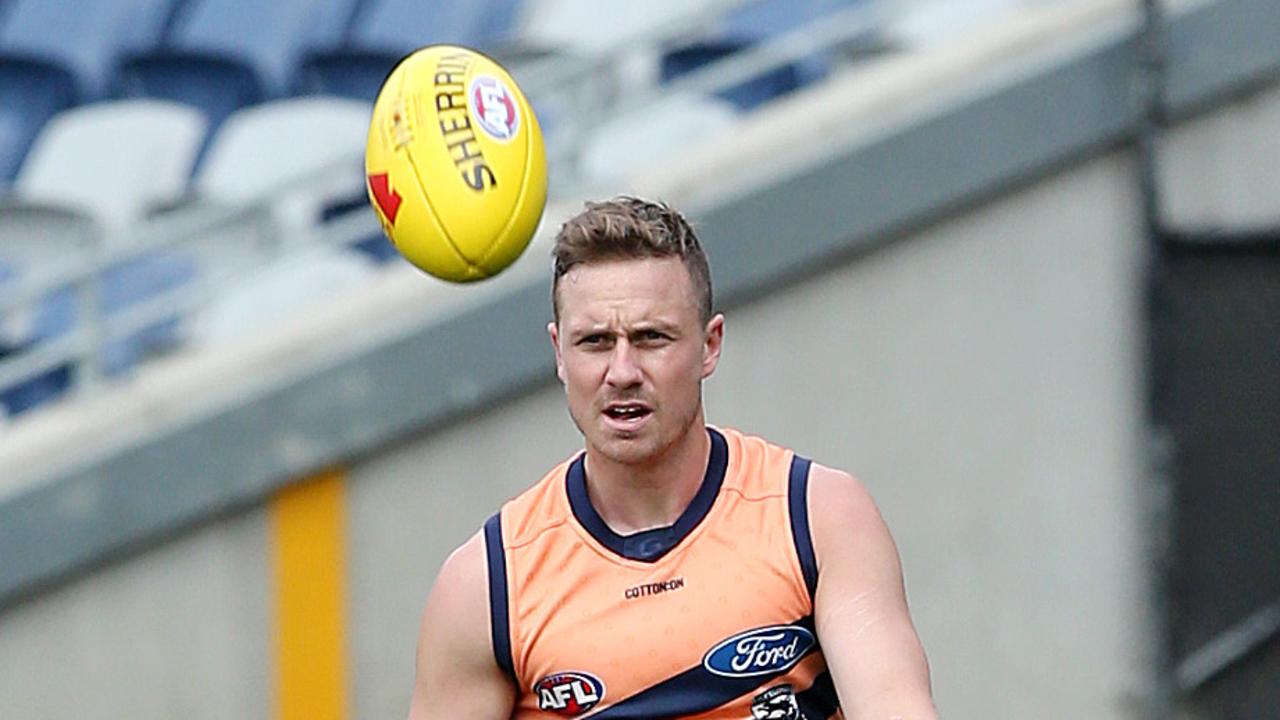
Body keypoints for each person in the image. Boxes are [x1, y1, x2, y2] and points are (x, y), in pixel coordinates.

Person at [407, 197, 938, 719]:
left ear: (710, 345)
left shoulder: (816, 516)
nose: (621, 372)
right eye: (594, 341)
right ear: (559, 355)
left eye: (650, 338)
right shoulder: (487, 584)